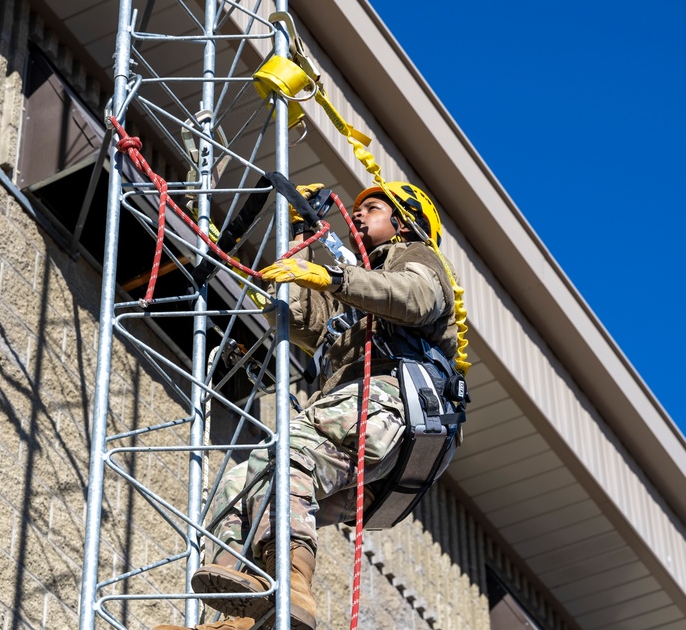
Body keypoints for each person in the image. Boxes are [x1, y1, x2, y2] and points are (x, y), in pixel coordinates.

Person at [156, 181, 461, 630]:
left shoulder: (413, 256)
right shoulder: (354, 304)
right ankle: (235, 614)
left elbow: (416, 298)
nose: (358, 216)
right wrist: (300, 237)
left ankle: (292, 587)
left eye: (372, 208)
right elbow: (297, 313)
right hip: (362, 423)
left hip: (389, 403)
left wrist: (337, 277)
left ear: (403, 220)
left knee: (287, 456)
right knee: (240, 481)